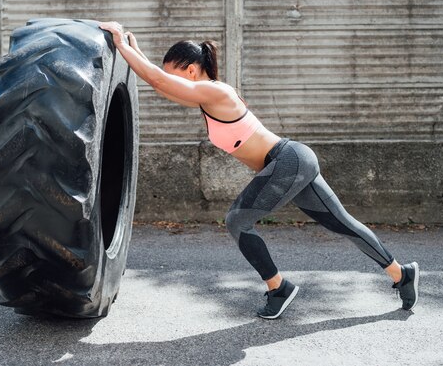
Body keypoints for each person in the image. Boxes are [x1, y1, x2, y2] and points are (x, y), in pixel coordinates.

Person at [98, 21, 420, 319]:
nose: (171, 81)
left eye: (175, 74)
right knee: (342, 224)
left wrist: (120, 43)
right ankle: (401, 274)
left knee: (238, 220)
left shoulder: (216, 92)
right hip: (292, 162)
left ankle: (279, 288)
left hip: (287, 160)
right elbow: (161, 85)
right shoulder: (204, 97)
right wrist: (133, 50)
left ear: (193, 70)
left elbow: (157, 78)